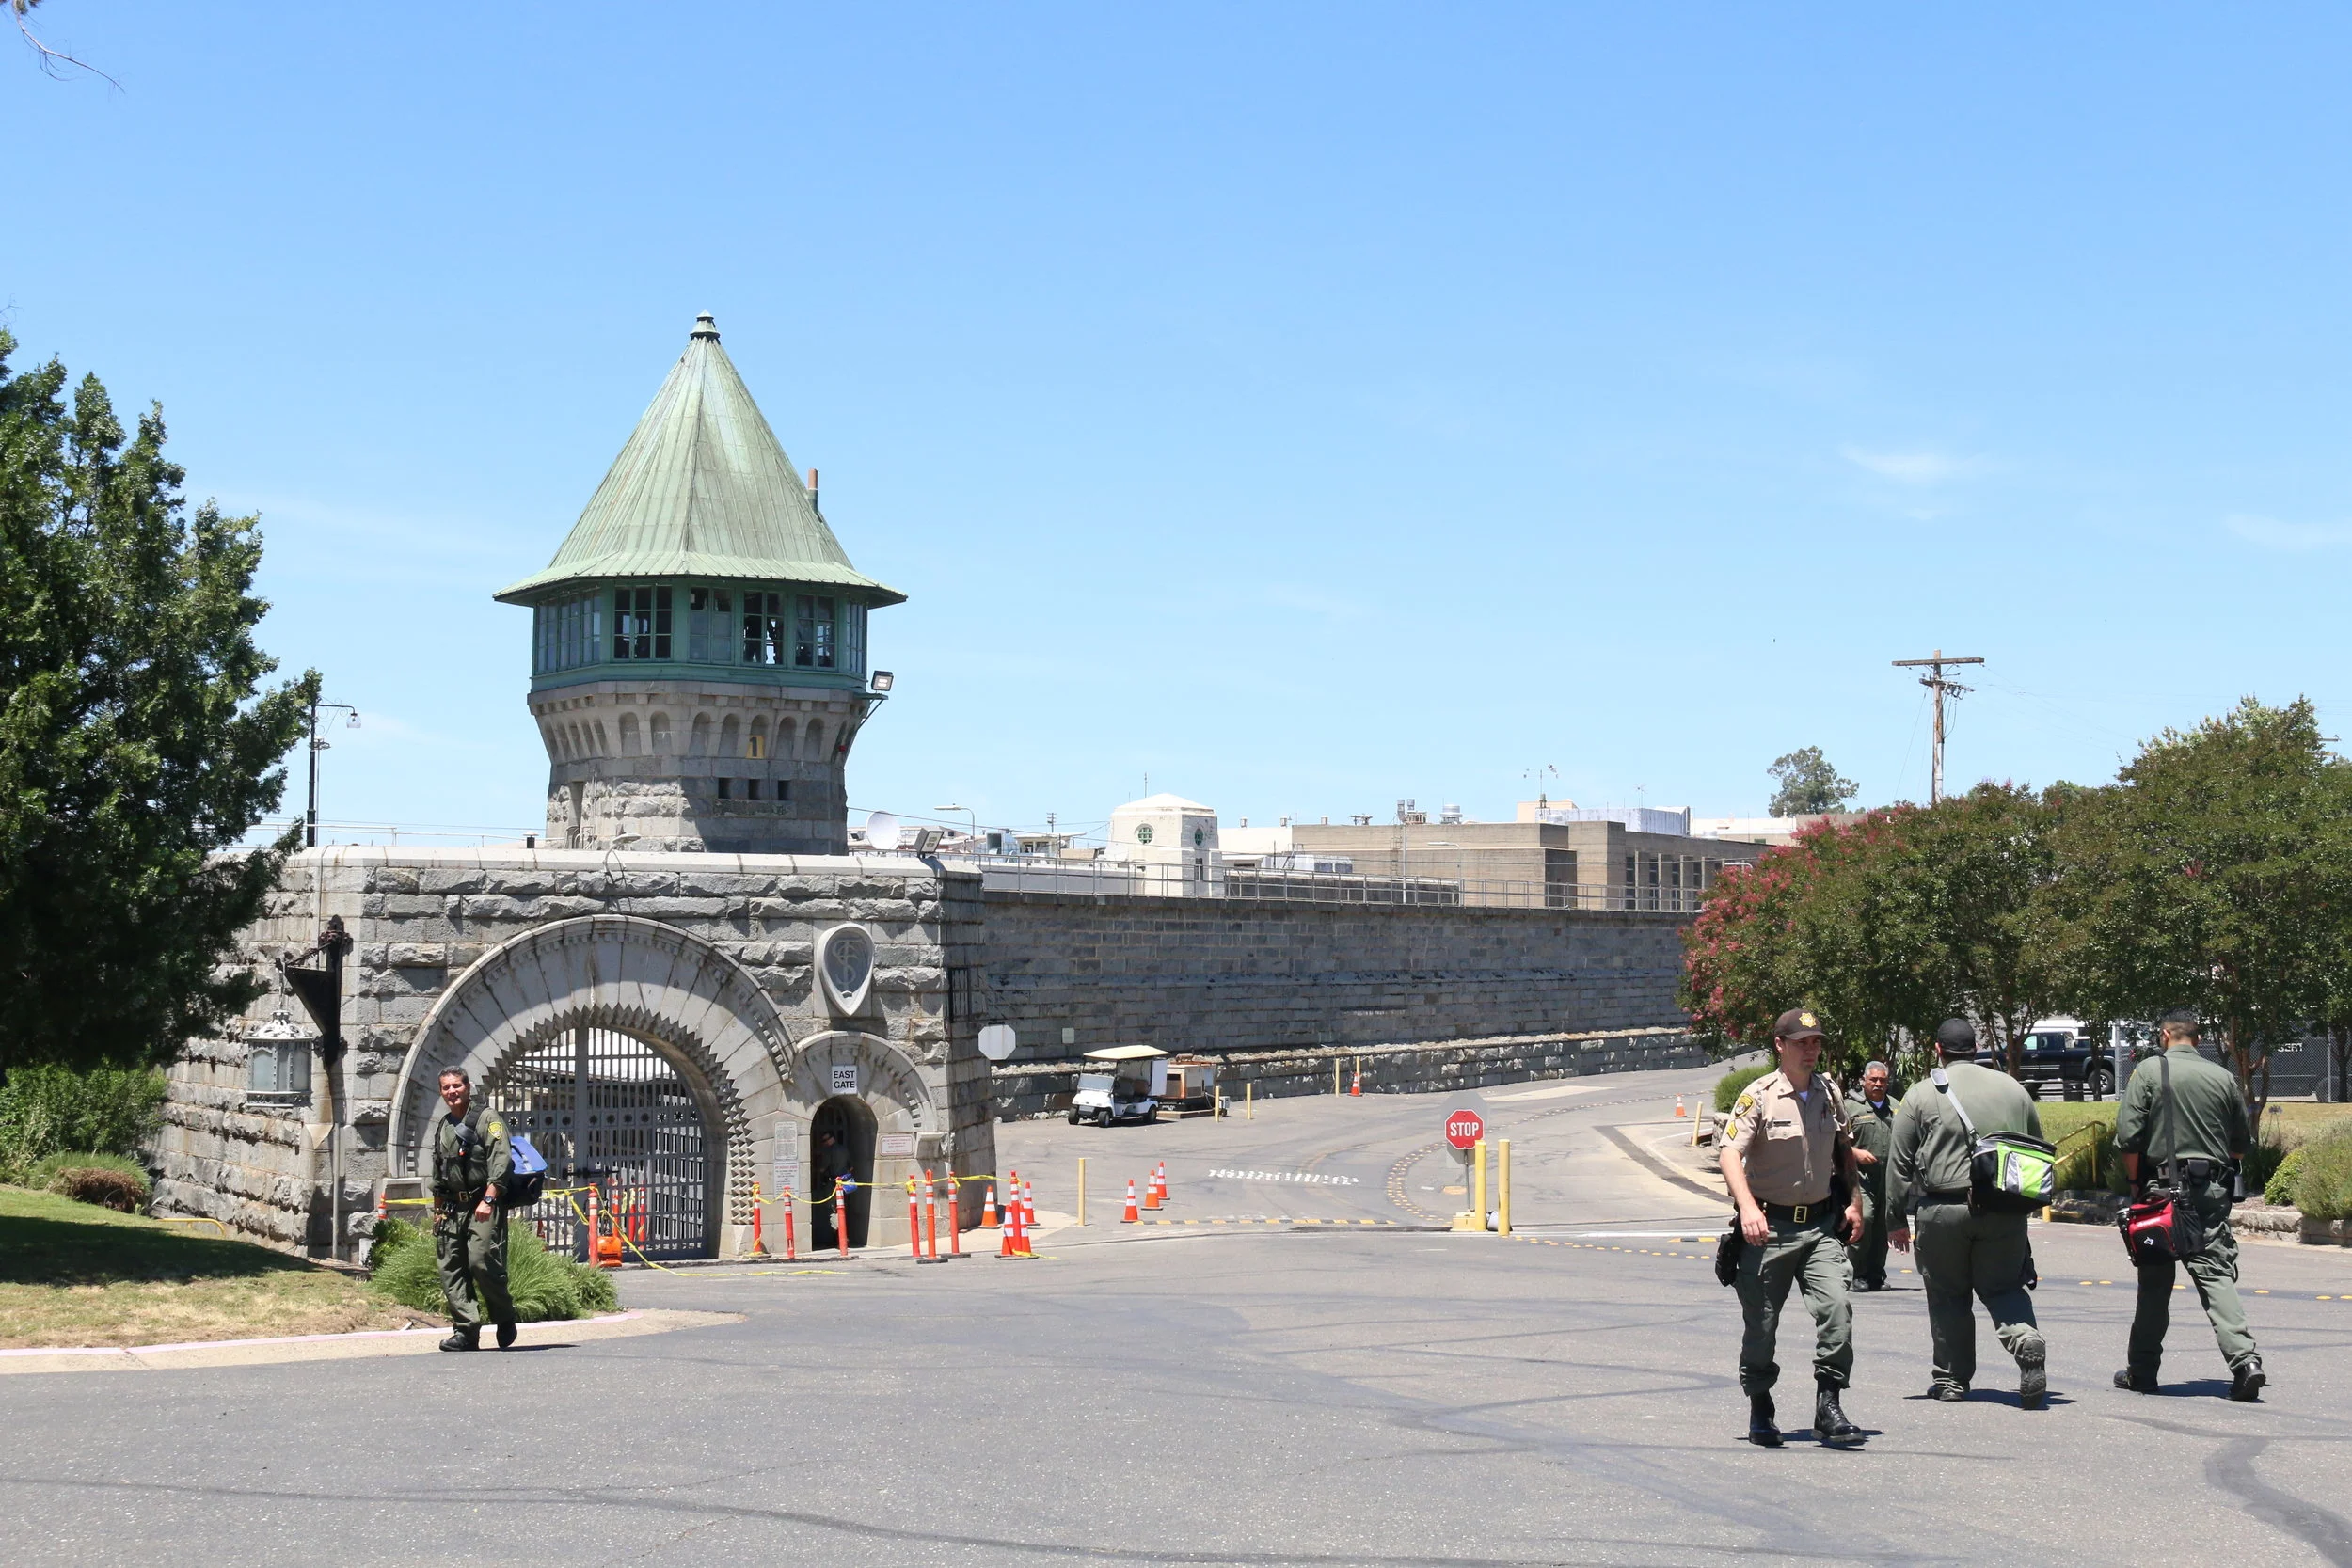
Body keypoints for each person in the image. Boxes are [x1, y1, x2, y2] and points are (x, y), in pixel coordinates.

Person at [1720, 1008, 1867, 1449]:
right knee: (1762, 1326)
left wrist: (1855, 1203)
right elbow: (1729, 1152)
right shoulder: (1759, 1096)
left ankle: (1828, 1405)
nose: (1811, 1050)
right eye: (1802, 1042)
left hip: (1821, 1226)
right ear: (1780, 1046)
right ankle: (1761, 1404)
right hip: (1768, 1229)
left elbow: (1844, 1150)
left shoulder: (1829, 1092)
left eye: (1816, 1042)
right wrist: (1747, 1207)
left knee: (1838, 1308)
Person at [1887, 1019, 2047, 1407]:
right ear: (1975, 1048)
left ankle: (1952, 1380)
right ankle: (2026, 1338)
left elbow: (1899, 1163)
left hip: (1944, 1209)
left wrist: (1894, 1219)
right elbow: (2038, 1149)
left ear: (1938, 1050)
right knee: (2004, 1287)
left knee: (1947, 1295)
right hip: (2004, 1209)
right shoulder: (2014, 1089)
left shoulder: (1922, 1094)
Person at [2113, 1009, 2264, 1401]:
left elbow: (2129, 1138)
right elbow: (2239, 1145)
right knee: (2216, 1276)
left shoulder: (2148, 1071)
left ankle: (2142, 1372)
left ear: (2164, 1035)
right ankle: (2246, 1362)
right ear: (2197, 1039)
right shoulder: (2223, 1077)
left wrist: (2134, 1185)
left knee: (2155, 1285)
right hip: (2210, 1192)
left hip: (2159, 1192)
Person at [429, 1068, 517, 1352]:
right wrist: (438, 1211)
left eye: (457, 1086)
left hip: (483, 1203)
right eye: (446, 1088)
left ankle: (504, 1318)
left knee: (481, 1261)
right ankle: (466, 1331)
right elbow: (439, 1173)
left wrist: (489, 1199)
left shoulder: (487, 1119)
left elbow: (500, 1159)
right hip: (454, 1206)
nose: (452, 1092)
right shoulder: (443, 1126)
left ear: (468, 1087)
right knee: (451, 1268)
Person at [1843, 1061, 1895, 1291]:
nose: (1878, 1084)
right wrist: (1856, 1153)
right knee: (1867, 1218)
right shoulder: (1850, 1108)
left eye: (1882, 1080)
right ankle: (1857, 1274)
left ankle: (1876, 1274)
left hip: (1889, 1177)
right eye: (1873, 1079)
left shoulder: (1896, 1107)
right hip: (1860, 1177)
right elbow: (1834, 1142)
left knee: (1883, 1224)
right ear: (1864, 1081)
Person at [813, 1128, 856, 1250]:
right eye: (823, 1140)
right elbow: (851, 1166)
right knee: (842, 1209)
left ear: (832, 1138)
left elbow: (823, 1168)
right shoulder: (844, 1149)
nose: (825, 1142)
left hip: (832, 1184)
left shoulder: (828, 1151)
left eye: (826, 1139)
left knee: (833, 1210)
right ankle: (841, 1238)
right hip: (845, 1183)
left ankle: (840, 1238)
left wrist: (815, 1171)